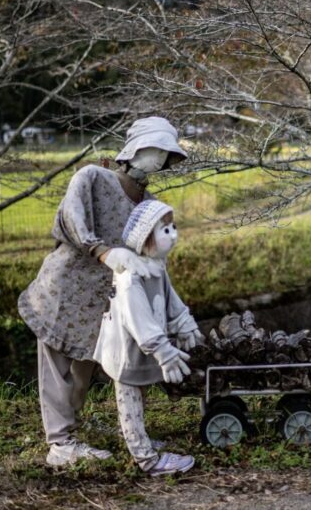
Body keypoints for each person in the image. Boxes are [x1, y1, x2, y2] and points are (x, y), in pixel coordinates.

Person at [18, 117, 188, 466]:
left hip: (104, 303)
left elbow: (152, 257)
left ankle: (77, 430)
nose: (160, 159)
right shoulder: (93, 178)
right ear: (135, 149)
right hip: (64, 289)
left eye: (166, 153)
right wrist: (103, 251)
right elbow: (72, 218)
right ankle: (61, 444)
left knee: (86, 370)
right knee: (57, 369)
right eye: (155, 149)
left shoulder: (150, 204)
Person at [94, 199, 201, 476]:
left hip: (141, 350)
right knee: (129, 400)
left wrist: (184, 323)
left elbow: (170, 300)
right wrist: (164, 352)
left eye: (173, 227)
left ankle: (138, 439)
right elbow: (138, 320)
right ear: (145, 237)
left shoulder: (156, 268)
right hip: (126, 351)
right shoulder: (131, 277)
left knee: (139, 397)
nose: (174, 235)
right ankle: (147, 460)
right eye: (165, 230)